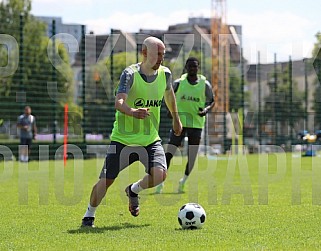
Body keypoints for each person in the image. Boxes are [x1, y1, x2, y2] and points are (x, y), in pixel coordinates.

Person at [81, 36, 182, 228]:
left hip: (150, 139)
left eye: (163, 54)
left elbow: (169, 95)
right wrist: (133, 112)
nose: (161, 58)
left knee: (160, 174)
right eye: (157, 54)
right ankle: (89, 215)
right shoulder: (130, 74)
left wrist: (176, 119)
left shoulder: (166, 74)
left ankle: (133, 190)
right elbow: (119, 102)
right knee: (106, 181)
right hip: (123, 139)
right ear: (144, 53)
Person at [156, 57, 215, 194]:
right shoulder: (179, 83)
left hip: (196, 124)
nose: (193, 68)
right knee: (169, 152)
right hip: (179, 123)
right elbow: (166, 95)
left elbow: (212, 100)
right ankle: (161, 182)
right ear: (186, 68)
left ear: (198, 67)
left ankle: (183, 181)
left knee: (192, 156)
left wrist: (206, 110)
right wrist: (170, 111)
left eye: (195, 66)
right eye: (190, 66)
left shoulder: (204, 84)